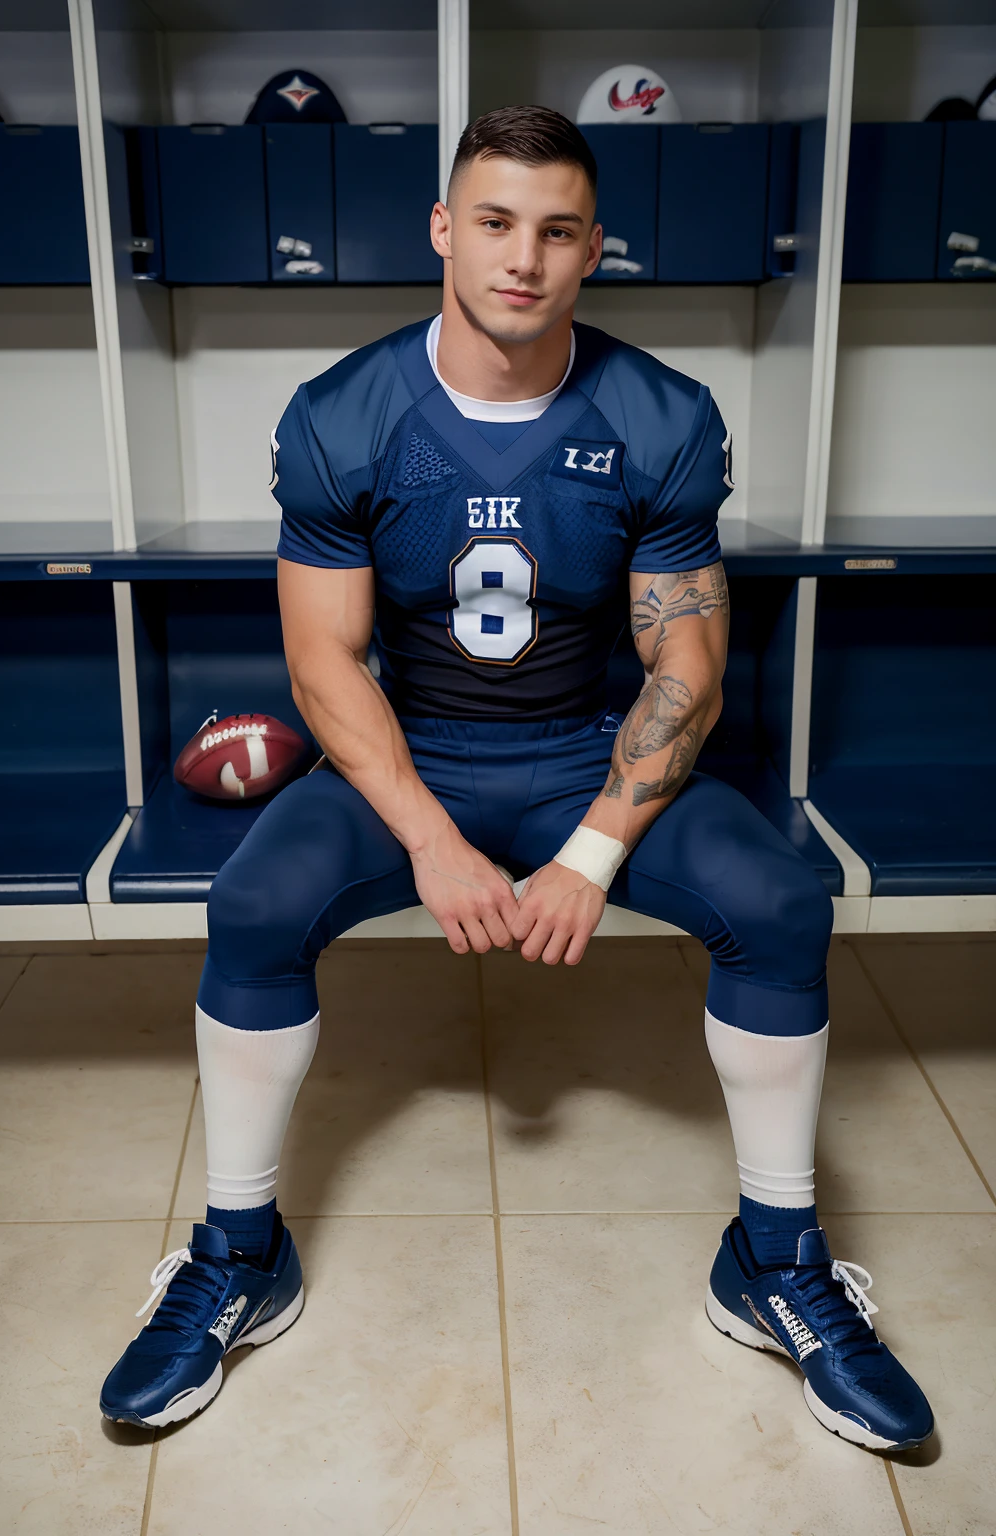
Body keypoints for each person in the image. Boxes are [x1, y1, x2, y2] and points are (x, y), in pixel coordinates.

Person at [100, 106, 932, 1452]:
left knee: (780, 904)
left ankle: (773, 1263)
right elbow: (324, 667)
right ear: (444, 229)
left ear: (595, 247)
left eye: (556, 230)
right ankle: (237, 1256)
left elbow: (687, 673)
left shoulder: (660, 416)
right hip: (405, 759)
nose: (523, 258)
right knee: (254, 901)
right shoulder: (342, 415)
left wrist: (595, 850)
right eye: (493, 222)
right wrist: (427, 840)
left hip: (576, 757)